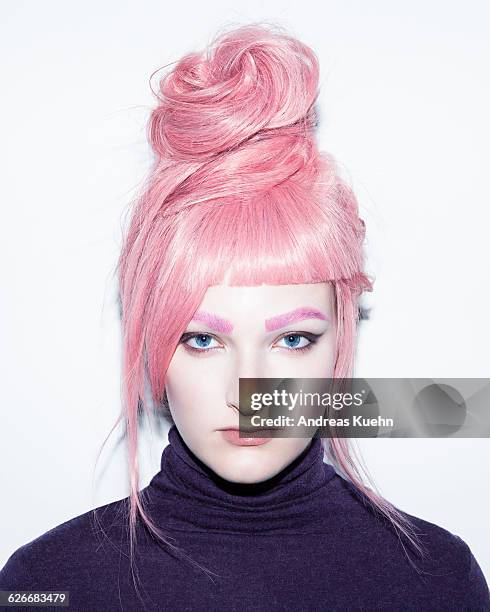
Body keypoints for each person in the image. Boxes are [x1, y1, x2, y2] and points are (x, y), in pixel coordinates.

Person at [1, 22, 488, 612]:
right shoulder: (48, 583)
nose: (248, 390)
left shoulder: (436, 579)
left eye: (293, 339)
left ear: (340, 344)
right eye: (202, 339)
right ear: (152, 345)